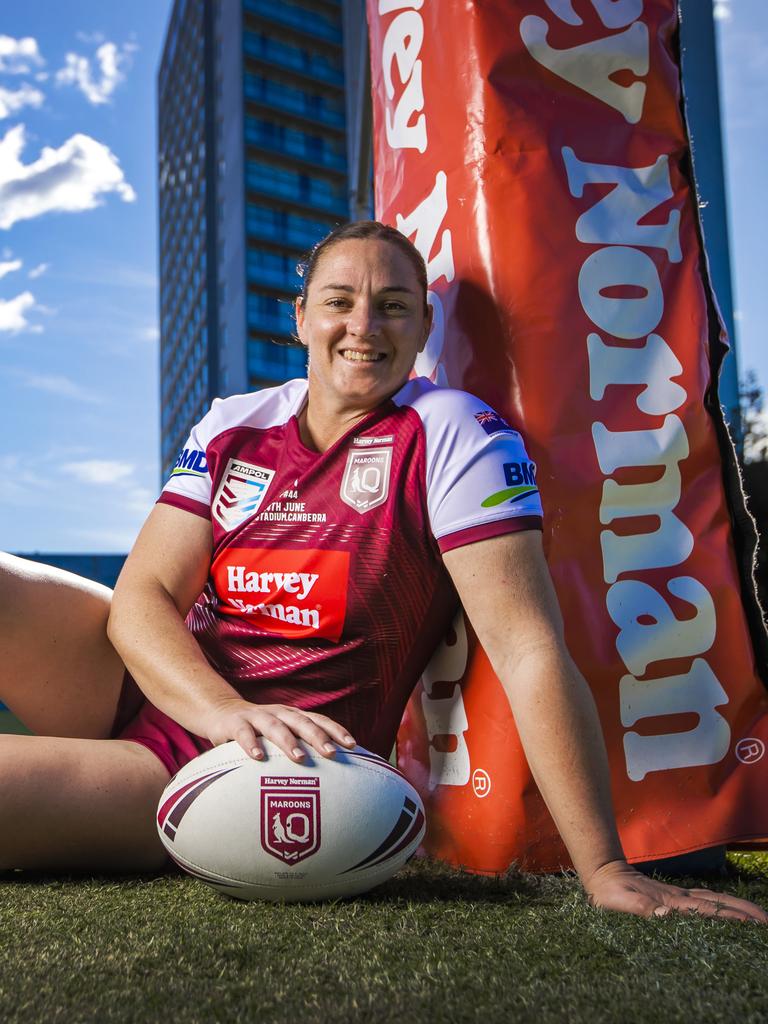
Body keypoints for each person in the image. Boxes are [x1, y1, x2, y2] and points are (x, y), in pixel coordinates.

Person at [1, 222, 764, 923]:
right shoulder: (236, 420)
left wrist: (602, 866)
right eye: (340, 301)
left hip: (242, 759)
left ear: (424, 328)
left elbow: (528, 646)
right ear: (300, 317)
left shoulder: (454, 434)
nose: (363, 326)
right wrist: (217, 704)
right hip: (178, 688)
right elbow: (143, 599)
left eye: (393, 306)